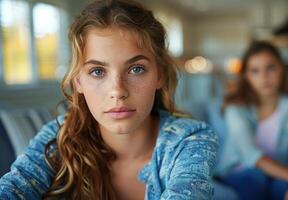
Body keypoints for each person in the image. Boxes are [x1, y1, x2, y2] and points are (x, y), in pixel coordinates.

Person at [0, 0, 218, 199]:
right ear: (78, 81)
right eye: (97, 71)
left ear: (159, 74)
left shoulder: (191, 140)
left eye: (136, 69)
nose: (118, 91)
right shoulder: (59, 137)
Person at [215, 41, 288, 200]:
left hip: (279, 174)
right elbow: (249, 154)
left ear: (282, 69)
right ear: (247, 76)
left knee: (282, 187)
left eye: (270, 68)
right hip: (238, 172)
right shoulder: (235, 107)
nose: (264, 76)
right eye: (255, 71)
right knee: (255, 178)